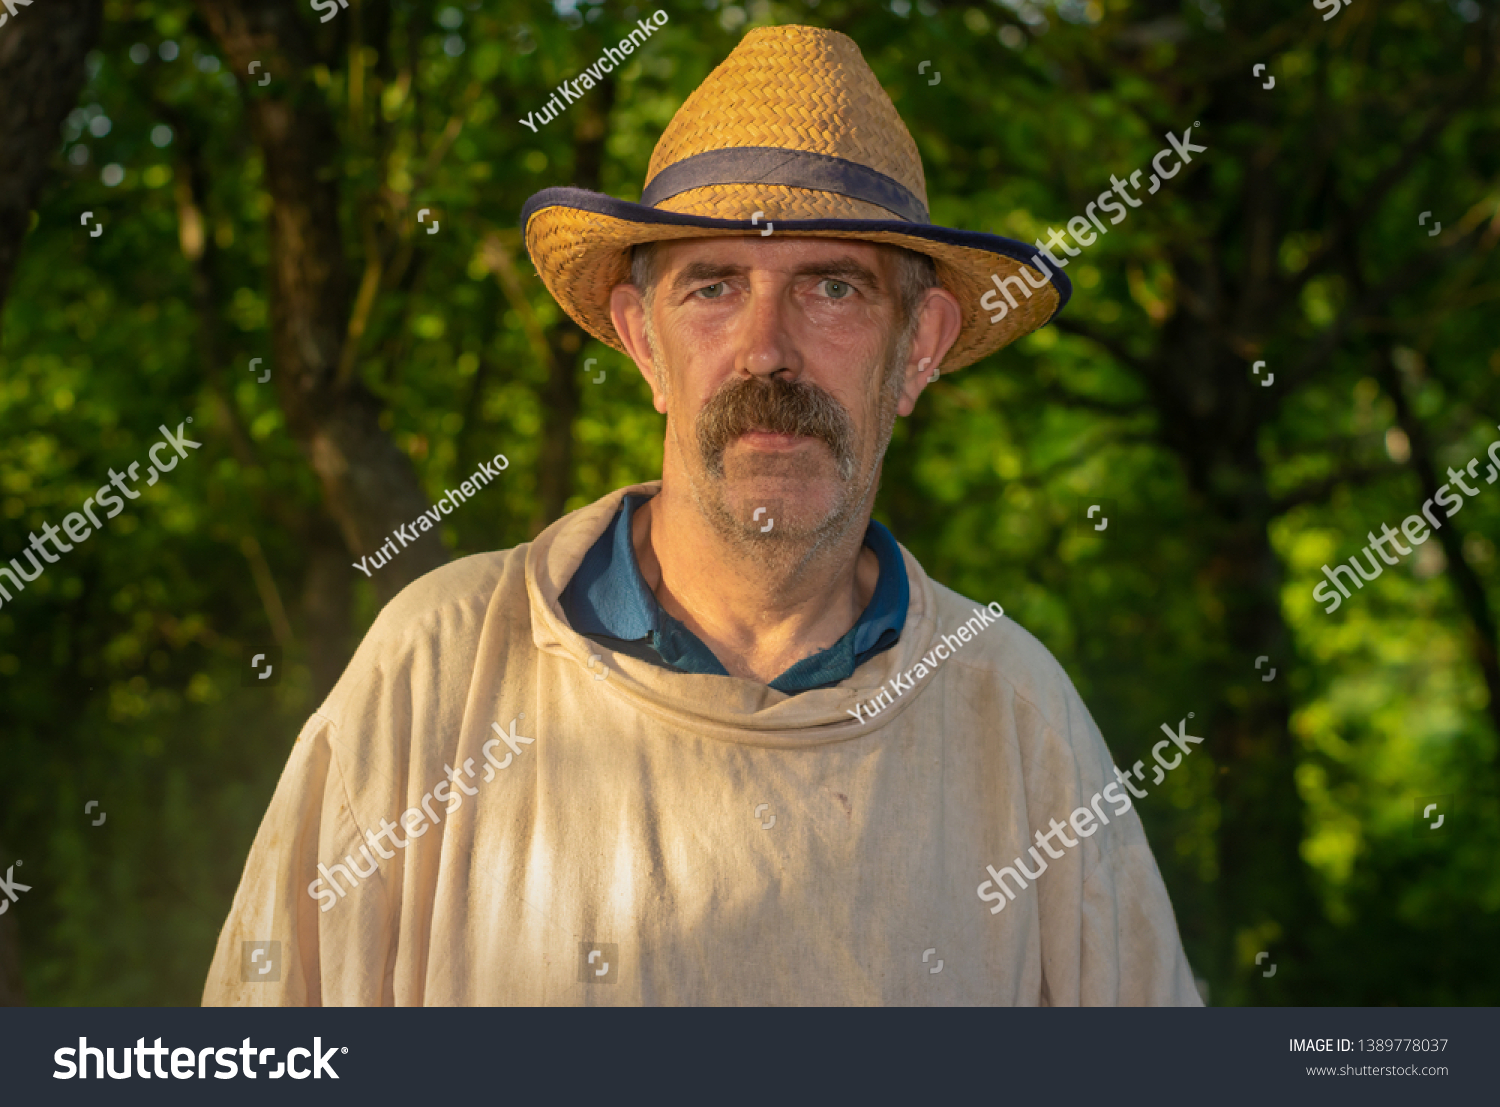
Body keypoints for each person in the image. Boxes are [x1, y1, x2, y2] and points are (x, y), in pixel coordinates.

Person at [203, 23, 1201, 1006]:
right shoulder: (443, 668)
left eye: (834, 288)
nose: (767, 350)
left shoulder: (1015, 717)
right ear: (644, 341)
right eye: (714, 287)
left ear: (920, 348)